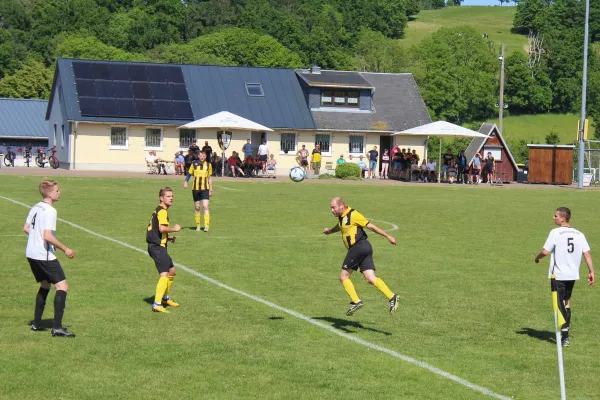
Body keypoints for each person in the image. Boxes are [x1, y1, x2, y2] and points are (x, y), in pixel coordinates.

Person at [323, 197, 399, 316]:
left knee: (344, 277)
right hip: (365, 248)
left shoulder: (354, 214)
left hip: (358, 247)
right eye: (331, 208)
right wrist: (330, 231)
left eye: (333, 207)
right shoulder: (342, 217)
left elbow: (371, 226)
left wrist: (388, 236)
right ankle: (392, 296)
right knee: (370, 278)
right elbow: (341, 226)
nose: (332, 210)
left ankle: (356, 301)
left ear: (341, 206)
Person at [534, 207, 595, 347]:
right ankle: (565, 333)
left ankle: (564, 334)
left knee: (559, 303)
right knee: (566, 302)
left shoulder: (555, 233)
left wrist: (537, 258)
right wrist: (591, 271)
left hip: (558, 275)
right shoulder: (579, 234)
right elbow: (587, 254)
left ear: (563, 218)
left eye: (555, 216)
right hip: (572, 274)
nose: (553, 218)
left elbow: (545, 251)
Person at [23, 180, 76, 337]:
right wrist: (65, 249)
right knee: (62, 287)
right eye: (57, 190)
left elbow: (26, 228)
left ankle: (36, 323)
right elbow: (47, 235)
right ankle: (57, 327)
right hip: (43, 255)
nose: (59, 193)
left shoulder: (35, 207)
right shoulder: (50, 211)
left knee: (45, 285)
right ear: (50, 193)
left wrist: (37, 238)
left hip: (31, 253)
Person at [147, 187, 181, 313]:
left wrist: (168, 237)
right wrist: (174, 229)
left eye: (172, 196)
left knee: (172, 272)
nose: (171, 198)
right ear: (161, 198)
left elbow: (156, 229)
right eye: (168, 196)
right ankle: (156, 304)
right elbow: (161, 228)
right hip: (157, 247)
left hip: (158, 245)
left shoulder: (159, 210)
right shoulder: (162, 211)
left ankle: (165, 298)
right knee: (164, 274)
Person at [184, 151, 213, 232]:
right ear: (198, 156)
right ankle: (198, 226)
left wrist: (211, 189)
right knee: (197, 207)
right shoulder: (194, 164)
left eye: (203, 155)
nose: (202, 157)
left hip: (205, 189)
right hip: (195, 189)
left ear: (205, 156)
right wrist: (186, 182)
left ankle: (206, 226)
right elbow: (189, 174)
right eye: (201, 155)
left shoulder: (208, 165)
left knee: (205, 206)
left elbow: (210, 177)